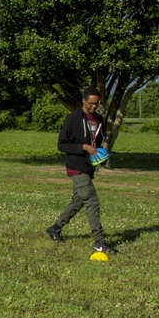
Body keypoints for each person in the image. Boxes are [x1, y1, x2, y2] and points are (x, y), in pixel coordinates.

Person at [46, 86, 117, 254]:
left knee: (78, 201)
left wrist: (99, 155)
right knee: (92, 201)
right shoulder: (73, 118)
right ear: (84, 101)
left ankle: (55, 228)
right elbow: (61, 145)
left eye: (96, 103)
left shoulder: (99, 119)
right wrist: (83, 147)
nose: (94, 106)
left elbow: (96, 143)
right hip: (75, 166)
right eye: (91, 103)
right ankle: (99, 241)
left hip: (88, 166)